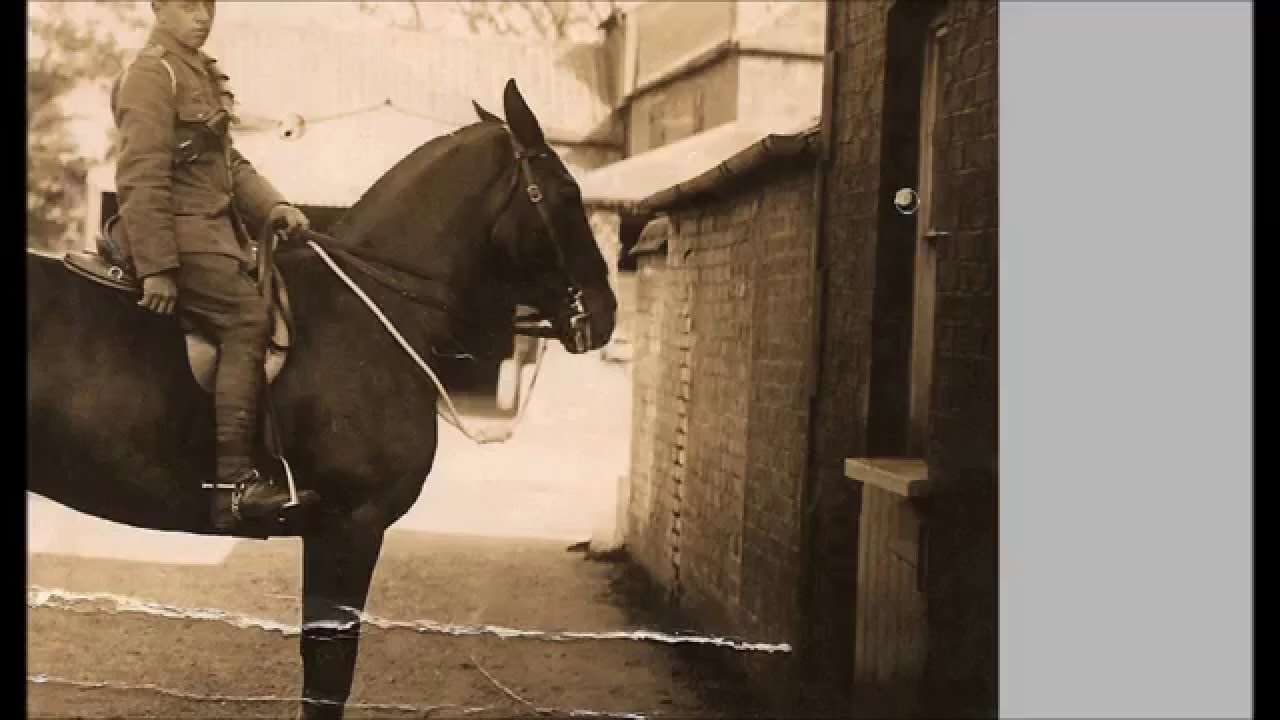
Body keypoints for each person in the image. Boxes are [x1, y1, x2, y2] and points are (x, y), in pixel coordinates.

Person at [111, 0, 313, 530]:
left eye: (208, 5)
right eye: (186, 5)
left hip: (211, 236)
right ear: (158, 6)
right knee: (248, 319)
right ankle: (234, 486)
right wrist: (157, 266)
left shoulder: (198, 72)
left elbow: (230, 166)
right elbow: (141, 176)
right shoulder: (152, 75)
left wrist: (274, 206)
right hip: (177, 236)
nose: (202, 16)